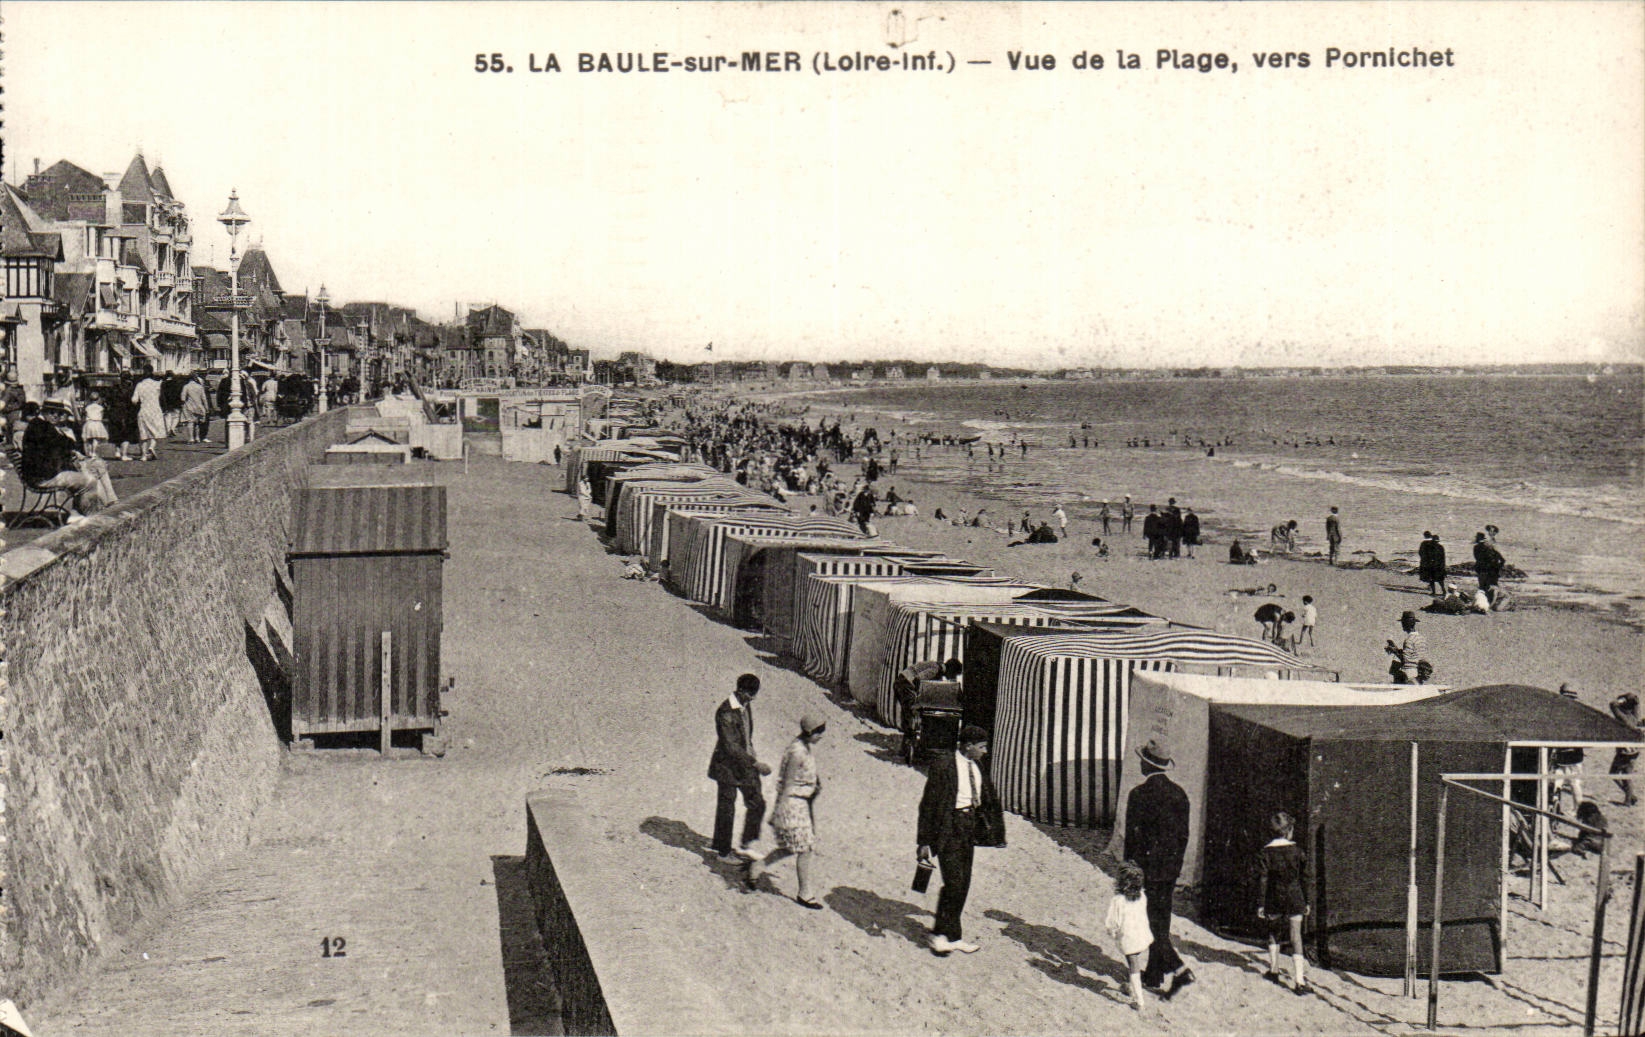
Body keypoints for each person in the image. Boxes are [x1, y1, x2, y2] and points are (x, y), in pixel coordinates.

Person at [916, 725, 1006, 956]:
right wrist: (924, 841)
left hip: (970, 828)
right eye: (982, 747)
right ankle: (939, 935)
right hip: (949, 827)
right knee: (954, 882)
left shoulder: (977, 765)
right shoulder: (943, 765)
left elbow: (988, 797)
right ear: (968, 746)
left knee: (963, 882)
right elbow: (928, 805)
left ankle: (953, 936)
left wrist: (996, 832)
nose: (985, 752)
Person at [1122, 739, 1194, 998]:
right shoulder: (1180, 794)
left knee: (1149, 923)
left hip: (1145, 869)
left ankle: (1179, 968)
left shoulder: (1138, 795)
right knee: (1161, 919)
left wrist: (1129, 870)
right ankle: (1153, 974)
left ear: (1146, 763)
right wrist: (1175, 866)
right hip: (1169, 869)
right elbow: (1183, 836)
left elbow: (1132, 838)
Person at [746, 713, 827, 908]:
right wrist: (779, 810)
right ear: (809, 732)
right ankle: (804, 893)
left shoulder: (802, 747)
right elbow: (788, 782)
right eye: (818, 732)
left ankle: (757, 867)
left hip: (799, 804)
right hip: (792, 805)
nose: (821, 736)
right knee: (804, 848)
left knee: (793, 847)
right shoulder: (797, 752)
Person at [708, 674, 772, 861]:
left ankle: (746, 845)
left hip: (745, 764)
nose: (753, 698)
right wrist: (755, 763)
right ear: (741, 691)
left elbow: (745, 737)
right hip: (727, 766)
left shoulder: (745, 706)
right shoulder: (726, 712)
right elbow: (731, 746)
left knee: (757, 803)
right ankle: (722, 851)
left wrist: (752, 754)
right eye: (751, 694)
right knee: (727, 808)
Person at [20, 401, 114, 521]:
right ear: (43, 412)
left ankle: (88, 510)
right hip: (43, 478)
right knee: (90, 481)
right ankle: (91, 515)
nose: (55, 416)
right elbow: (66, 443)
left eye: (59, 413)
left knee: (94, 468)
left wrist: (71, 452)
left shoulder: (42, 425)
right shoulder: (41, 426)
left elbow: (62, 445)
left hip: (44, 474)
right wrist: (71, 452)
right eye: (52, 412)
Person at [1257, 811, 1310, 996]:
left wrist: (1261, 903)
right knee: (1296, 936)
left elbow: (1263, 879)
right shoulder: (1297, 851)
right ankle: (1299, 981)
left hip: (1274, 897)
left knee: (1273, 932)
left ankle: (1274, 970)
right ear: (1289, 831)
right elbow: (1304, 878)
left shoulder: (1266, 852)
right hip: (1295, 897)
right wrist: (1306, 901)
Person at [1105, 862, 1154, 1015]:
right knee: (1134, 960)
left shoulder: (1118, 901)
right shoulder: (1142, 896)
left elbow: (1113, 922)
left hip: (1129, 938)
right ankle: (1131, 986)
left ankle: (1139, 1000)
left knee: (1133, 964)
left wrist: (1112, 932)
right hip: (1141, 934)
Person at [1609, 692, 1639, 807]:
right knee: (1627, 774)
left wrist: (1620, 697)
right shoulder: (1635, 717)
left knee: (1614, 774)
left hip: (1625, 752)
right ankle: (1630, 796)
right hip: (1634, 751)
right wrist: (1628, 698)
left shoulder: (1623, 718)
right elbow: (1636, 701)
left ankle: (1629, 797)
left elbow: (1612, 704)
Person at [1385, 611, 1430, 685]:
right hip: (1419, 672)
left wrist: (1394, 651)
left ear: (1406, 624)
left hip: (1409, 672)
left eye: (1403, 623)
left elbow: (1406, 659)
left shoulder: (1409, 640)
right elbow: (1414, 655)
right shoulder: (1422, 638)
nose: (1402, 626)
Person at [131, 366, 165, 461]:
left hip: (144, 410)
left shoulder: (139, 385)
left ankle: (143, 456)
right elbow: (160, 397)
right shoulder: (157, 384)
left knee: (143, 433)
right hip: (155, 410)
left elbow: (134, 400)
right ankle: (152, 447)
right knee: (156, 431)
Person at [1473, 532, 1506, 598]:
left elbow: (1477, 558)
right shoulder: (1490, 547)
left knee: (1482, 589)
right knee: (1491, 590)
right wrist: (1497, 567)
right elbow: (1502, 559)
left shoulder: (1476, 547)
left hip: (1482, 571)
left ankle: (1483, 603)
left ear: (1478, 539)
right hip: (1492, 572)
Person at [1417, 532, 1449, 596]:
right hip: (1439, 566)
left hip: (1431, 566)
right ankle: (1443, 591)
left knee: (1432, 580)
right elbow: (1443, 558)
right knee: (1440, 580)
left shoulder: (1429, 546)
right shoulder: (1441, 547)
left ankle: (1434, 592)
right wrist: (1443, 566)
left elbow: (1425, 555)